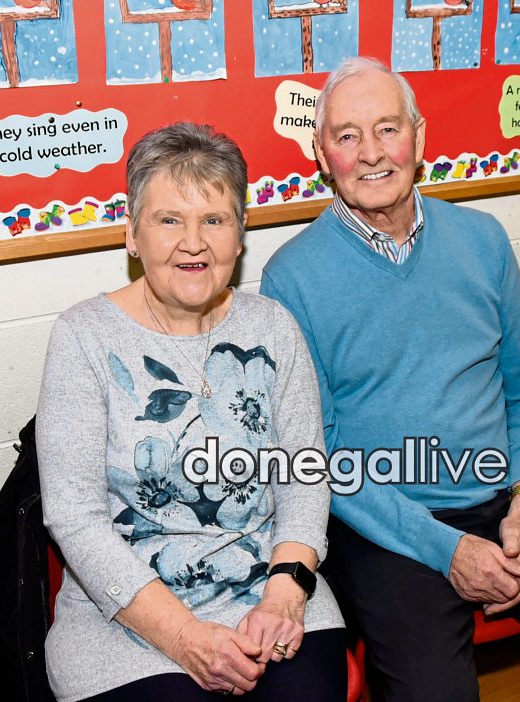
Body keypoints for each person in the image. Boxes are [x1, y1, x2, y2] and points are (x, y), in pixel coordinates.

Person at [261, 57, 520, 702]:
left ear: (419, 137)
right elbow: (318, 457)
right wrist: (445, 548)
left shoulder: (482, 241)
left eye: (387, 128)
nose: (371, 153)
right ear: (321, 153)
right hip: (387, 524)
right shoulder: (292, 278)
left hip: (505, 498)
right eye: (346, 136)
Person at [36, 122, 345, 701]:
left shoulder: (273, 328)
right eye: (169, 220)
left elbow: (305, 480)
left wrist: (285, 594)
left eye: (214, 220)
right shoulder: (82, 337)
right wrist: (184, 638)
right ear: (132, 235)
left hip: (268, 591)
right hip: (125, 617)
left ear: (240, 234)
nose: (194, 242)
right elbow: (74, 518)